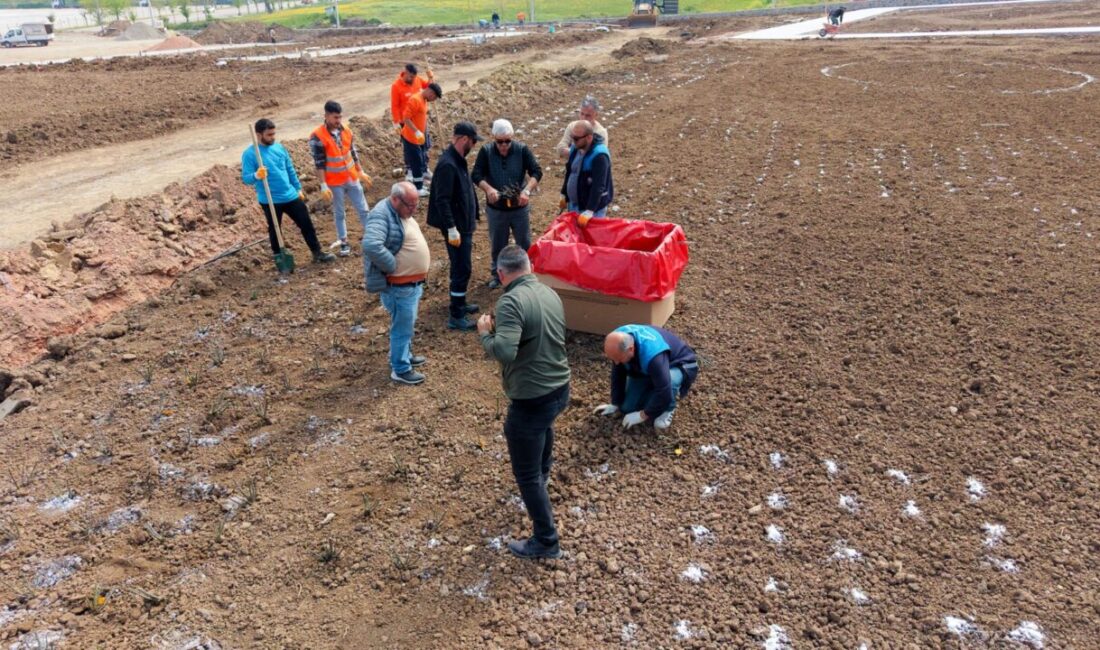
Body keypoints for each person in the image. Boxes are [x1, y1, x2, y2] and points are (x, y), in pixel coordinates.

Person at [477, 245, 570, 560]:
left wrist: (485, 334)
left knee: (525, 474)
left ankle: (546, 540)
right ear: (528, 267)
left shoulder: (511, 302)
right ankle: (542, 476)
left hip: (532, 398)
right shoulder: (549, 293)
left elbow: (504, 351)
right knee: (543, 430)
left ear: (501, 274)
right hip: (560, 388)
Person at [241, 118, 335, 268]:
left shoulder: (279, 148)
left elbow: (290, 169)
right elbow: (246, 179)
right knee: (275, 230)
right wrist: (256, 176)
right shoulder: (250, 154)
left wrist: (298, 188)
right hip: (270, 199)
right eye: (269, 135)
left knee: (306, 224)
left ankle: (317, 253)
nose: (273, 137)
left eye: (274, 134)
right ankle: (280, 259)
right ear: (259, 135)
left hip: (290, 195)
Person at [361, 182, 430, 386]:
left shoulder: (399, 212)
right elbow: (371, 244)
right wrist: (391, 265)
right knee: (402, 327)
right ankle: (400, 369)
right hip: (399, 287)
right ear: (395, 199)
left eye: (416, 205)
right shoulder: (381, 215)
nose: (414, 209)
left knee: (406, 325)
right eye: (410, 205)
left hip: (410, 286)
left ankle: (405, 355)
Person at [472, 118, 542, 289]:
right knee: (498, 244)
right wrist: (488, 189)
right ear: (493, 138)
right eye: (500, 142)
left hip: (519, 207)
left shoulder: (522, 150)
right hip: (497, 209)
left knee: (524, 242)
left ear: (512, 138)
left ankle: (526, 275)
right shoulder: (486, 151)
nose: (504, 145)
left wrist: (527, 190)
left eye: (507, 141)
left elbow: (536, 171)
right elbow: (476, 174)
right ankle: (498, 274)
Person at [427, 121, 482, 330]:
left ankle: (460, 302)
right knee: (462, 268)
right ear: (465, 139)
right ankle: (456, 315)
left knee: (461, 266)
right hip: (456, 228)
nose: (474, 146)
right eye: (474, 142)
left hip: (463, 225)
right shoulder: (448, 164)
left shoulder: (458, 160)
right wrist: (451, 228)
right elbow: (442, 200)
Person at [595, 325, 699, 430]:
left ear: (631, 349)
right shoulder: (617, 340)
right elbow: (618, 373)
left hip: (679, 363)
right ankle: (655, 387)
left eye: (619, 359)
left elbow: (664, 390)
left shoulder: (653, 355)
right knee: (627, 408)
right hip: (649, 366)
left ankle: (668, 409)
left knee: (669, 384)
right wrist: (615, 403)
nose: (616, 362)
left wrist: (643, 415)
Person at [309, 100, 372, 257]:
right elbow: (319, 163)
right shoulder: (317, 136)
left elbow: (353, 152)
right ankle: (344, 242)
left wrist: (360, 171)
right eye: (335, 117)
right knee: (339, 213)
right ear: (327, 116)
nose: (338, 121)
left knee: (363, 209)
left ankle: (371, 237)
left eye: (340, 117)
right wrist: (323, 184)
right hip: (334, 182)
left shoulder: (347, 131)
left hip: (351, 177)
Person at [560, 120, 613, 226]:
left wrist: (590, 210)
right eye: (572, 137)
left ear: (589, 137)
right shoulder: (576, 148)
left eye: (576, 138)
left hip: (592, 211)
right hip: (575, 205)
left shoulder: (599, 156)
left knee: (591, 239)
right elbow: (570, 172)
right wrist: (564, 194)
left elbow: (599, 186)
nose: (573, 141)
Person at [390, 63, 435, 180]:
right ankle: (410, 169)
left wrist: (430, 77)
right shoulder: (396, 86)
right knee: (409, 147)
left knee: (424, 144)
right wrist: (396, 122)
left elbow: (429, 89)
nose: (412, 79)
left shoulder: (417, 80)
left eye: (414, 77)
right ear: (404, 72)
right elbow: (394, 105)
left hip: (420, 119)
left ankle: (424, 168)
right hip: (406, 122)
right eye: (410, 77)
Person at [401, 82, 443, 197]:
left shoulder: (423, 100)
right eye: (434, 97)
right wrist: (417, 131)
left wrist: (423, 132)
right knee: (416, 162)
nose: (433, 100)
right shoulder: (415, 99)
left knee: (420, 160)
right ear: (430, 91)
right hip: (411, 138)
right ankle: (418, 188)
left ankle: (419, 184)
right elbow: (406, 118)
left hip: (419, 138)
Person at [555, 96, 608, 160]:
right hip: (573, 167)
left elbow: (599, 156)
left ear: (596, 115)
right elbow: (560, 147)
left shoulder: (600, 132)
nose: (583, 118)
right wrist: (577, 153)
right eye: (582, 114)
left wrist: (573, 152)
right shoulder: (572, 126)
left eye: (588, 115)